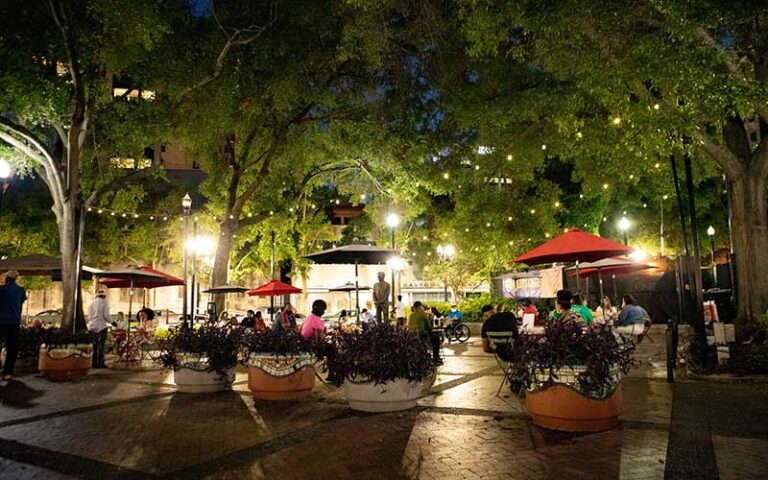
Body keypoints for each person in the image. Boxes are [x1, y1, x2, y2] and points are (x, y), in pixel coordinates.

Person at [0, 270, 26, 380]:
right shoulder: (21, 290)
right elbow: (20, 304)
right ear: (16, 279)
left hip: (0, 321)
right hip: (14, 321)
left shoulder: (1, 290)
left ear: (6, 279)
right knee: (12, 347)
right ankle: (8, 371)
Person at [88, 289, 113, 369]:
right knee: (101, 346)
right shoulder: (104, 304)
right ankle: (100, 363)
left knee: (94, 345)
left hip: (92, 326)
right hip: (101, 326)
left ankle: (93, 363)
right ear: (104, 296)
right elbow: (106, 316)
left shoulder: (91, 304)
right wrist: (112, 322)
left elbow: (89, 316)